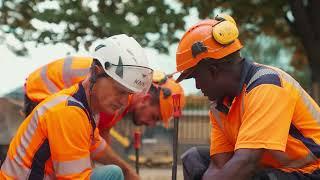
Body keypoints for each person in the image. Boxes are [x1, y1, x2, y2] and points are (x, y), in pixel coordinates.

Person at [175, 14, 320, 180]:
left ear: (213, 70)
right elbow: (219, 166)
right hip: (278, 170)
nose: (197, 86)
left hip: (313, 170)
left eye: (195, 77)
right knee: (196, 160)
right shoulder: (219, 107)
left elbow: (246, 163)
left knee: (249, 174)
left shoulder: (267, 85)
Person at [0, 34, 154, 179]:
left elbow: (97, 147)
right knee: (112, 174)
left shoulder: (83, 105)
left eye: (128, 94)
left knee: (114, 172)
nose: (124, 102)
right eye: (120, 91)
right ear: (95, 72)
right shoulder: (69, 113)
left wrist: (128, 172)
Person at [23, 56, 185, 140]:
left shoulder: (122, 97)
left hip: (47, 92)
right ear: (146, 99)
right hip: (42, 91)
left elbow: (103, 134)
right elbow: (93, 141)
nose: (150, 124)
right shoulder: (118, 94)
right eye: (154, 117)